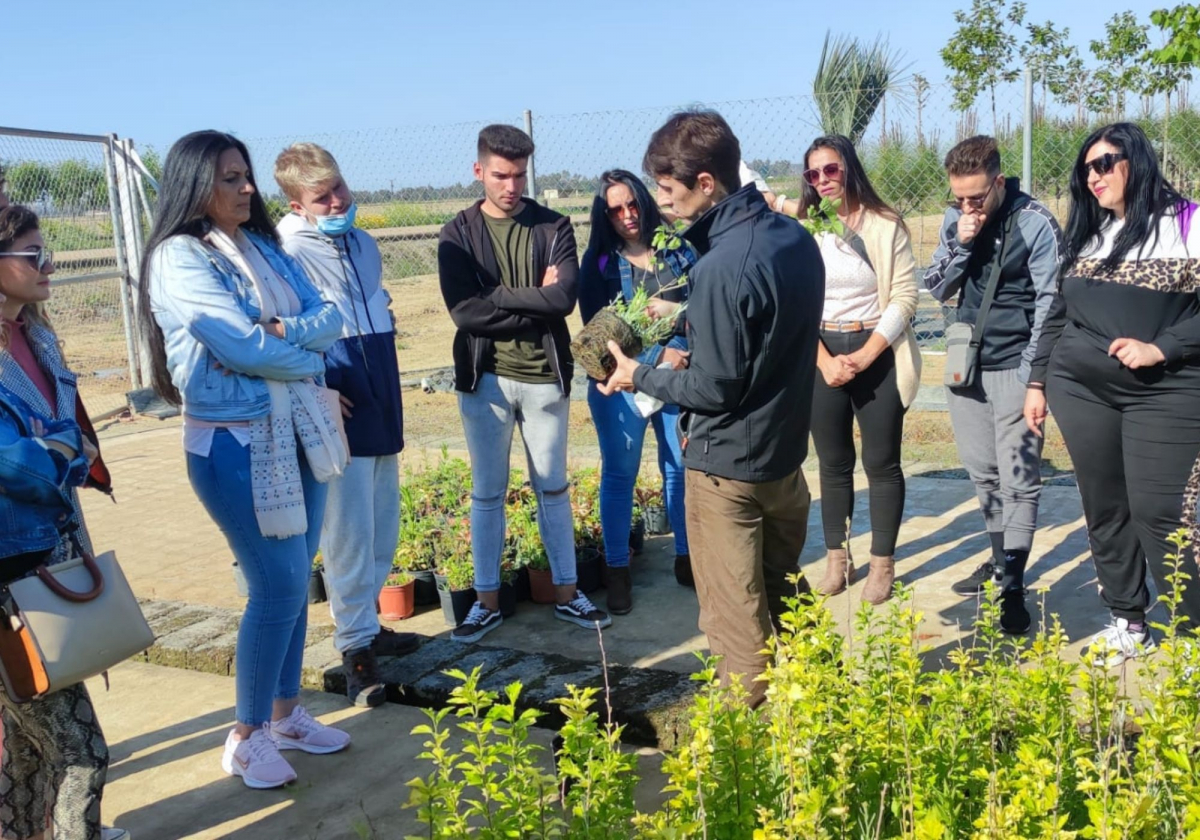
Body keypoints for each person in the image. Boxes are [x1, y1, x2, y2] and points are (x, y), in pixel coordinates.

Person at [141, 130, 350, 789]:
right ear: (194, 182)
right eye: (230, 177)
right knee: (277, 582)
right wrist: (301, 353)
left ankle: (286, 714)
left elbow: (330, 313)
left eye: (245, 175)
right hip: (232, 442)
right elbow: (237, 346)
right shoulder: (179, 257)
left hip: (295, 430)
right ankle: (245, 734)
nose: (246, 187)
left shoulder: (263, 244)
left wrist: (282, 338)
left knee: (295, 574)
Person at [602, 110, 824, 708]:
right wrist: (692, 340)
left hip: (728, 472)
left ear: (706, 182)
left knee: (736, 629)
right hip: (783, 463)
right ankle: (820, 722)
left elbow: (717, 389)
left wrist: (638, 374)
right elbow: (763, 343)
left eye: (669, 192)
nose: (662, 206)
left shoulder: (723, 265)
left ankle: (744, 765)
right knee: (787, 599)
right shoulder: (794, 238)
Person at [1027, 122, 1200, 665]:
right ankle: (1128, 619)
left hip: (1166, 391)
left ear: (1137, 160)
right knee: (1104, 505)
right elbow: (1058, 313)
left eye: (1104, 163)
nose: (1093, 177)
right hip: (1081, 389)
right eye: (1086, 169)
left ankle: (1193, 629)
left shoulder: (1190, 223)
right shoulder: (1091, 233)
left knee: (1163, 509)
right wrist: (1037, 382)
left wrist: (1162, 348)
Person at [437, 124, 610, 643]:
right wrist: (529, 301)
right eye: (500, 175)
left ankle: (567, 592)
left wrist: (498, 295)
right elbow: (465, 313)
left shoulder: (553, 225)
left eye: (519, 175)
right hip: (484, 381)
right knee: (487, 492)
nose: (511, 186)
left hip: (543, 378)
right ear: (478, 171)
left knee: (552, 488)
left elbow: (563, 302)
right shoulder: (456, 233)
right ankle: (485, 602)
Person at [274, 143, 418, 709]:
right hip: (336, 383)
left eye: (340, 189)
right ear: (296, 203)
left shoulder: (362, 242)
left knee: (384, 510)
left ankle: (371, 623)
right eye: (322, 196)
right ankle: (355, 649)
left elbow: (372, 302)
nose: (337, 201)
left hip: (377, 369)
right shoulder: (287, 250)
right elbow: (282, 326)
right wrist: (316, 386)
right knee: (348, 521)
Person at [0, 206, 126, 840]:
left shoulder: (38, 336)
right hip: (9, 570)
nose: (49, 264)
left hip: (51, 550)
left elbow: (67, 445)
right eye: (31, 254)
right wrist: (60, 450)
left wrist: (60, 449)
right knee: (82, 752)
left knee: (24, 751)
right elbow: (18, 464)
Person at [923, 135, 1063, 635]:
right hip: (968, 368)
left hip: (1016, 368)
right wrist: (961, 240)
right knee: (983, 475)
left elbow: (1052, 303)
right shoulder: (953, 220)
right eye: (959, 197)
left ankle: (1013, 587)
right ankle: (1000, 559)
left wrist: (1035, 378)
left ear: (999, 182)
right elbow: (937, 287)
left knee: (1019, 480)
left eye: (977, 197)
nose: (967, 206)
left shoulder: (1036, 222)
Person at [800, 136, 922, 604]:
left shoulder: (885, 225)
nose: (823, 181)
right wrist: (825, 360)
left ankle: (882, 563)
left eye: (831, 170)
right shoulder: (807, 230)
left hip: (876, 347)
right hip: (823, 353)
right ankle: (837, 559)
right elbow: (796, 302)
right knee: (832, 464)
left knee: (881, 464)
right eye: (813, 174)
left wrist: (867, 354)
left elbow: (905, 299)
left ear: (849, 168)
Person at [579, 169, 695, 614]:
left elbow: (703, 305)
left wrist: (677, 347)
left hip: (675, 373)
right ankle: (616, 570)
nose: (628, 216)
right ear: (604, 215)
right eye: (616, 210)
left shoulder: (677, 251)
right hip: (619, 383)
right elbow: (596, 333)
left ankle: (686, 557)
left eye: (633, 205)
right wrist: (648, 360)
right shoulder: (602, 263)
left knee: (679, 466)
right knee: (619, 474)